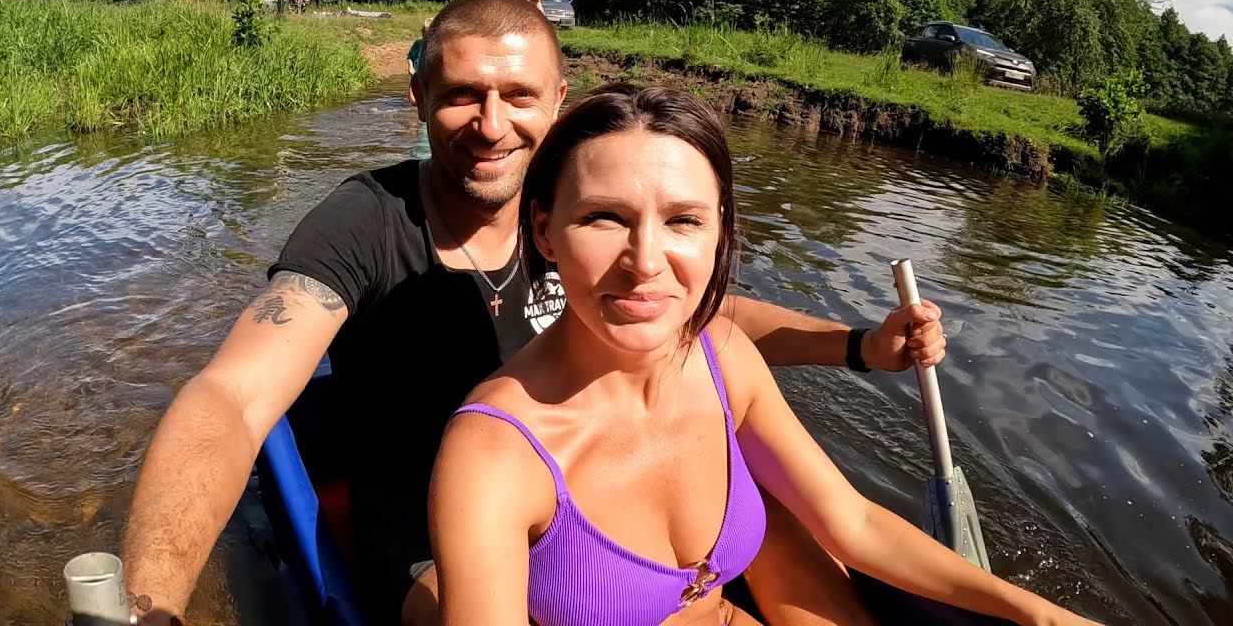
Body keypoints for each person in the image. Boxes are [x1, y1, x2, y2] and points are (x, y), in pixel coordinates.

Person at [121, 0, 947, 626]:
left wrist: (858, 346)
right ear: (417, 98)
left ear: (558, 100)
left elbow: (695, 312)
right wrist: (149, 606)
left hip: (580, 492)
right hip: (423, 529)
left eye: (518, 95)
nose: (491, 126)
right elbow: (233, 397)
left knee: (776, 518)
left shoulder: (583, 210)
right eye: (462, 95)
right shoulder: (365, 224)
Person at [429, 84, 1102, 626]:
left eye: (684, 220)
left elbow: (852, 523)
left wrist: (1036, 613)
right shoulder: (494, 457)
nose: (646, 262)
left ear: (720, 233)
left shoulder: (722, 356)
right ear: (545, 229)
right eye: (605, 217)